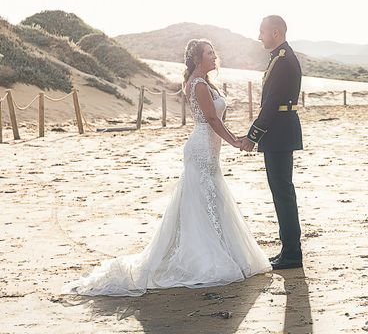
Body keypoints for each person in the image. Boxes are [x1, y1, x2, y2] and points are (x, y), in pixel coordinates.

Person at [62, 39, 271, 296]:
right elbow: (212, 120)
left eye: (214, 52)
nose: (215, 56)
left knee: (210, 198)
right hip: (202, 147)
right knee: (202, 198)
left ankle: (220, 248)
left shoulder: (203, 81)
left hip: (208, 147)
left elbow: (215, 120)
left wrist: (229, 139)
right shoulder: (199, 84)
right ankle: (204, 256)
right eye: (209, 53)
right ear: (197, 59)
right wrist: (236, 142)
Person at [240, 15, 304, 270]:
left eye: (262, 32)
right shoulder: (281, 57)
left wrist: (252, 136)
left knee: (283, 193)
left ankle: (291, 254)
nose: (259, 37)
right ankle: (288, 250)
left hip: (279, 133)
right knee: (282, 192)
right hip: (280, 132)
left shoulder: (282, 60)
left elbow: (271, 106)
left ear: (276, 32)